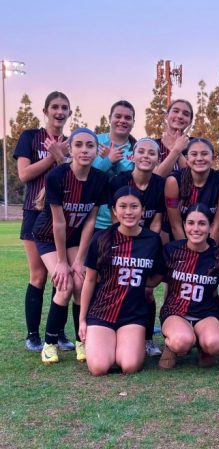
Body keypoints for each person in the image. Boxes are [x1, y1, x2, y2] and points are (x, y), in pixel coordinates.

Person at [35, 128, 109, 364]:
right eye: (79, 145)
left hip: (76, 237)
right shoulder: (58, 176)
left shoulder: (100, 179)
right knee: (65, 284)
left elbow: (90, 220)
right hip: (49, 236)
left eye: (90, 145)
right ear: (71, 149)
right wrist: (62, 262)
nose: (85, 150)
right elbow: (58, 223)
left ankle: (81, 339)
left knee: (80, 281)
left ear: (97, 150)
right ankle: (49, 344)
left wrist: (78, 261)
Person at [78, 187, 162, 375]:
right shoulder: (101, 238)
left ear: (142, 209)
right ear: (114, 211)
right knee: (99, 368)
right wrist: (82, 320)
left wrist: (144, 284)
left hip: (133, 315)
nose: (128, 212)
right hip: (102, 312)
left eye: (134, 206)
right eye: (122, 206)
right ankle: (104, 345)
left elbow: (158, 274)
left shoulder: (152, 240)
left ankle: (123, 345)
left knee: (130, 366)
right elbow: (90, 280)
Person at [14, 91, 73, 352]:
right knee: (38, 275)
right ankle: (33, 335)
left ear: (69, 113)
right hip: (34, 214)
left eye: (64, 108)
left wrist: (62, 155)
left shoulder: (73, 142)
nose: (59, 112)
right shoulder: (30, 137)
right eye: (55, 107)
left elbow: (73, 176)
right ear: (46, 110)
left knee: (60, 276)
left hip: (61, 215)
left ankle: (58, 333)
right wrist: (52, 156)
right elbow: (25, 174)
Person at [155, 203, 219, 369]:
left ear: (210, 227)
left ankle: (204, 347)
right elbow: (155, 280)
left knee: (217, 345)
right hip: (176, 312)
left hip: (205, 314)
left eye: (202, 224)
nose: (196, 228)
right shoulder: (172, 250)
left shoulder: (218, 255)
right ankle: (172, 345)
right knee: (182, 341)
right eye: (191, 223)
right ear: (184, 225)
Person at [108, 137, 166, 356]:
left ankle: (148, 337)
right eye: (141, 151)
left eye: (151, 153)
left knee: (147, 290)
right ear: (132, 156)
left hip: (147, 243)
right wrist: (124, 245)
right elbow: (116, 218)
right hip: (122, 243)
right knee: (121, 288)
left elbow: (158, 220)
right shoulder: (119, 181)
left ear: (157, 158)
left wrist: (149, 243)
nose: (146, 156)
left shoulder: (160, 184)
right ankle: (114, 330)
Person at [165, 138, 219, 244]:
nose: (199, 158)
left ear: (213, 158)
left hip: (211, 244)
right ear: (187, 159)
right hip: (181, 244)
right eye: (194, 154)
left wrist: (209, 253)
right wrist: (186, 252)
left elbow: (218, 224)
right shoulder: (173, 182)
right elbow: (176, 225)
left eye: (204, 154)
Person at [92, 100, 137, 232]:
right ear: (109, 118)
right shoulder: (94, 141)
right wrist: (108, 161)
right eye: (118, 116)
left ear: (133, 122)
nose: (122, 120)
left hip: (123, 220)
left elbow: (134, 181)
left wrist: (115, 163)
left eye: (128, 118)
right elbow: (87, 176)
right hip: (92, 219)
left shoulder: (137, 149)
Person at [154, 99, 193, 177]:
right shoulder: (153, 145)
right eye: (175, 111)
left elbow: (194, 177)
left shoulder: (196, 144)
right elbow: (155, 177)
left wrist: (173, 148)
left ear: (190, 121)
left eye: (186, 114)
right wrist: (176, 150)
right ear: (166, 115)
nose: (180, 116)